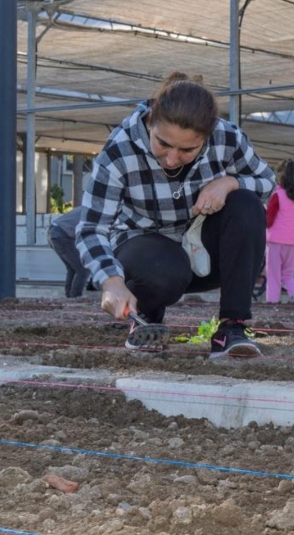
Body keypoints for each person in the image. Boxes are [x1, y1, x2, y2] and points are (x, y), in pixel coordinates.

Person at [76, 72, 275, 358]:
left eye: (187, 150)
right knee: (164, 271)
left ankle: (232, 329)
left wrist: (230, 183)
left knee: (247, 204)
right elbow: (91, 229)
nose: (171, 159)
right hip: (146, 250)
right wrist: (111, 281)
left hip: (201, 249)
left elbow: (267, 181)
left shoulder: (227, 138)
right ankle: (145, 318)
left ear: (206, 138)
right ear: (151, 120)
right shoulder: (119, 151)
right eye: (163, 144)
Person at [265, 159, 294, 303]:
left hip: (276, 241)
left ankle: (272, 301)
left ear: (282, 176)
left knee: (273, 274)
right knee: (288, 274)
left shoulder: (278, 196)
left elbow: (268, 220)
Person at [49, 205, 89, 298]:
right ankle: (75, 298)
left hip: (55, 232)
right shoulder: (93, 214)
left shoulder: (86, 208)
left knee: (73, 269)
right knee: (83, 269)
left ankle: (69, 298)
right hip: (62, 235)